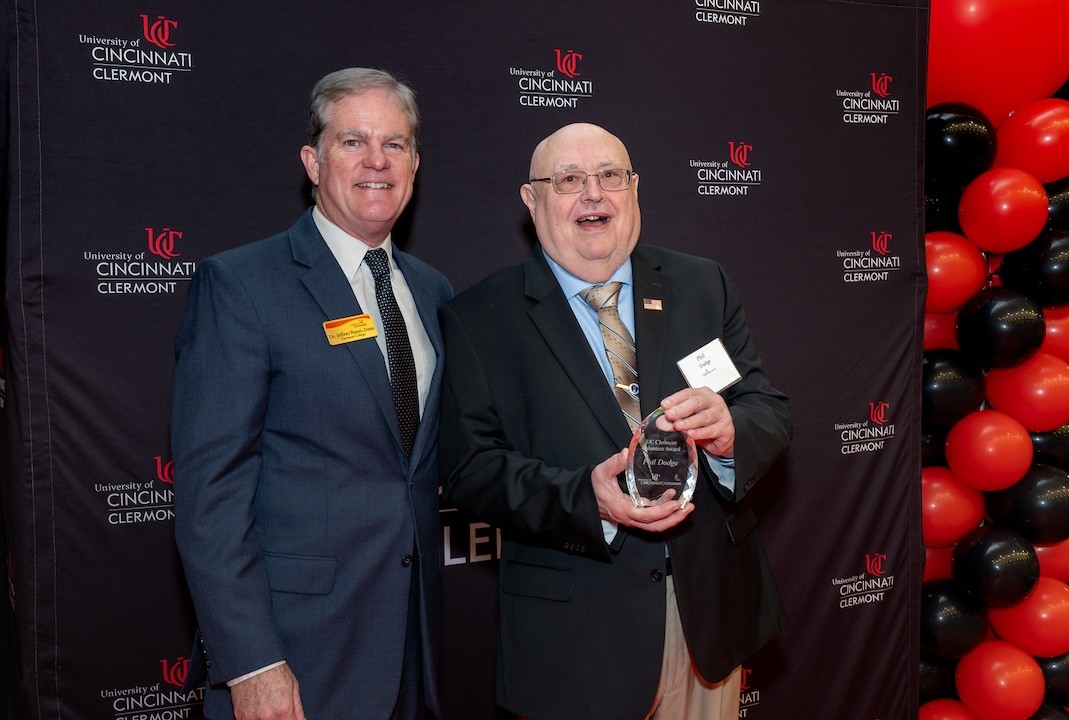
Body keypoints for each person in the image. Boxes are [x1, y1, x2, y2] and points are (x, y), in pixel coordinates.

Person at [438, 122, 792, 720]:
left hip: (707, 620)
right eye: (569, 180)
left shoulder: (703, 284)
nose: (593, 195)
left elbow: (766, 405)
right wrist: (587, 498)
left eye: (609, 176)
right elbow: (470, 470)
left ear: (634, 188)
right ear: (532, 199)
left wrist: (731, 430)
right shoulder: (479, 318)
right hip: (576, 637)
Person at [171, 67, 451, 720]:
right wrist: (252, 664)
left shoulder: (435, 292)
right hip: (295, 657)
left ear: (415, 162)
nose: (377, 161)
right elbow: (210, 495)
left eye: (396, 144)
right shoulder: (242, 284)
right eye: (353, 142)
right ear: (313, 160)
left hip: (414, 650)